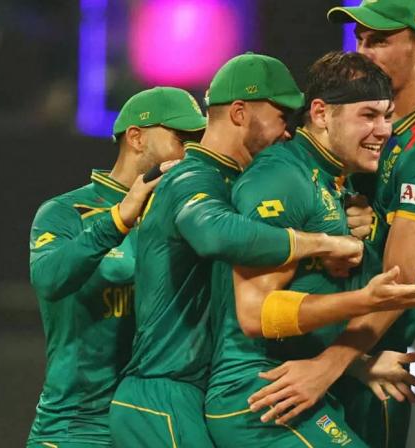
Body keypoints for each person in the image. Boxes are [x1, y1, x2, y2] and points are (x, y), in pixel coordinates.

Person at [108, 53, 365, 447]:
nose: (289, 132)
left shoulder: (241, 182)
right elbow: (214, 233)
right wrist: (323, 242)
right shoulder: (191, 176)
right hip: (163, 394)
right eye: (282, 116)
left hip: (195, 392)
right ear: (240, 112)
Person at [205, 50, 415, 448]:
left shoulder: (335, 181)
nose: (383, 130)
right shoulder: (282, 177)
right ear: (320, 114)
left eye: (387, 116)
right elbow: (254, 314)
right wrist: (362, 302)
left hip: (290, 388)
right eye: (368, 115)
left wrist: (356, 363)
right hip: (257, 393)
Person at [27, 86, 206, 447]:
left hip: (160, 421)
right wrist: (118, 219)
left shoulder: (191, 217)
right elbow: (48, 279)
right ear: (136, 138)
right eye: (182, 139)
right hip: (80, 428)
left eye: (198, 141)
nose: (192, 152)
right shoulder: (65, 212)